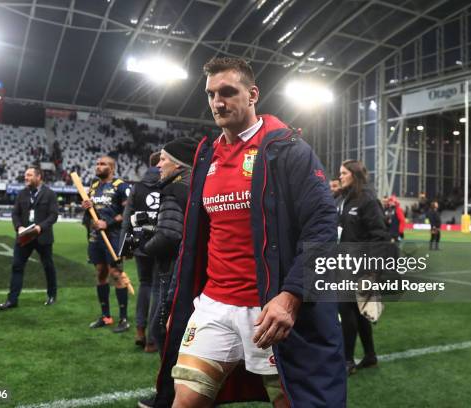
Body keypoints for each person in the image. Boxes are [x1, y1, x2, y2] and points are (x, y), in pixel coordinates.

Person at [147, 57, 346, 408]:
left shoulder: (288, 150)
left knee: (293, 400)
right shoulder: (207, 157)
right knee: (185, 401)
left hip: (268, 310)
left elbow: (323, 225)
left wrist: (292, 295)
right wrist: (177, 305)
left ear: (252, 94)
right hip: (214, 306)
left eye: (228, 92)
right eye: (211, 94)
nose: (218, 102)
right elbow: (195, 242)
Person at [140, 138, 198, 356]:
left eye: (163, 159)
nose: (158, 164)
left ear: (178, 165)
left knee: (162, 329)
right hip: (193, 268)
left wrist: (146, 246)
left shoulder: (174, 189)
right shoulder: (196, 185)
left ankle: (171, 386)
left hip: (174, 267)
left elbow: (169, 235)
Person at [337, 159, 389, 374]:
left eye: (343, 173)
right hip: (343, 263)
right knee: (360, 313)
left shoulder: (367, 200)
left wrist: (372, 271)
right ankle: (370, 356)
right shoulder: (344, 198)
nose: (340, 176)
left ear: (354, 175)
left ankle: (347, 361)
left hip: (360, 266)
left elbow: (379, 236)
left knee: (346, 310)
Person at [0, 166, 59, 310]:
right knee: (17, 266)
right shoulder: (22, 194)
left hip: (42, 236)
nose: (26, 177)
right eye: (25, 175)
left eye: (29, 175)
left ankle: (52, 295)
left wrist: (40, 227)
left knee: (48, 266)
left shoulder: (50, 194)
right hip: (24, 237)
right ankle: (12, 300)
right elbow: (15, 214)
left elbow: (53, 215)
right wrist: (19, 227)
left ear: (38, 177)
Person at [81, 156, 132, 333]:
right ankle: (106, 316)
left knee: (116, 274)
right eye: (97, 164)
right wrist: (87, 207)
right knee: (100, 273)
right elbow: (90, 215)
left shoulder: (121, 185)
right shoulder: (94, 186)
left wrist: (108, 223)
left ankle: (124, 319)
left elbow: (128, 211)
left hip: (114, 237)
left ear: (111, 167)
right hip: (96, 238)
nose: (98, 166)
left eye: (102, 164)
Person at [120, 152, 162, 352]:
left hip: (140, 243)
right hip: (161, 243)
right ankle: (153, 339)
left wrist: (124, 246)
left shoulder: (136, 187)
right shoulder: (170, 185)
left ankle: (139, 331)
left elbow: (128, 218)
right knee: (157, 289)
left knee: (144, 285)